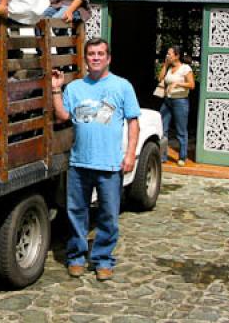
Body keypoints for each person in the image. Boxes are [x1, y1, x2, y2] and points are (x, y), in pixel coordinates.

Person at [51, 37, 140, 282]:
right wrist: (56, 88)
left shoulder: (123, 86)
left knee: (108, 215)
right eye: (91, 54)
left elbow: (133, 122)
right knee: (76, 212)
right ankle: (77, 257)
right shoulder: (76, 88)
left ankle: (102, 259)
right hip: (79, 163)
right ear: (86, 58)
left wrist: (130, 154)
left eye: (101, 53)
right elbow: (62, 116)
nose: (96, 57)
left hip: (110, 165)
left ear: (108, 58)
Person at [158, 45, 195, 167]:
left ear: (177, 56)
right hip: (167, 101)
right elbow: (160, 78)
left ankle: (182, 157)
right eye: (167, 54)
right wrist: (165, 65)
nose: (167, 55)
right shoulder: (169, 67)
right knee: (162, 129)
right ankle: (162, 156)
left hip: (180, 101)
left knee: (181, 131)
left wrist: (177, 83)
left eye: (169, 54)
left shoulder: (185, 68)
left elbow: (191, 85)